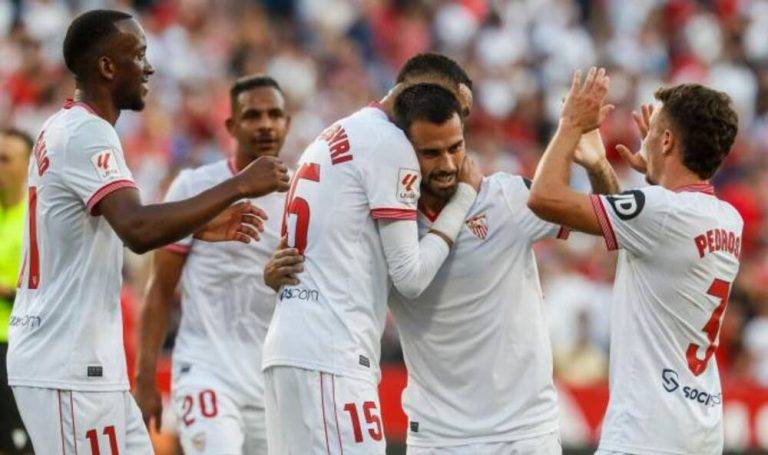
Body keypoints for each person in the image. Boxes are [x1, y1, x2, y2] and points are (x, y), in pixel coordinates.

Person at [265, 83, 619, 455]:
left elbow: (609, 220)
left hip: (523, 432)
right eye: (430, 153)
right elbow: (328, 265)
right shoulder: (383, 229)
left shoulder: (507, 198)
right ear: (403, 152)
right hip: (436, 438)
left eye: (455, 147)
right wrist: (274, 275)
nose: (448, 164)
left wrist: (597, 164)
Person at [7, 10, 289, 453]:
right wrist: (239, 185)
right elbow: (137, 229)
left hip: (86, 361)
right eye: (138, 55)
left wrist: (200, 220)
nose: (149, 67)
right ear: (106, 67)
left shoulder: (67, 127)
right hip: (66, 362)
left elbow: (127, 221)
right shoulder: (86, 132)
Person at [261, 54, 481, 454]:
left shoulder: (338, 132)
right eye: (452, 109)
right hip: (332, 355)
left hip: (292, 348)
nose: (456, 124)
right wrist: (463, 198)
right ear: (420, 95)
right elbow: (410, 278)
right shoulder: (390, 145)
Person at [528, 68, 741, 454]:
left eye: (654, 129)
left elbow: (544, 198)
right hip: (701, 428)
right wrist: (603, 167)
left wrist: (570, 125)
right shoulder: (729, 219)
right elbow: (641, 238)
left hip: (646, 431)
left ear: (667, 140)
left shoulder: (660, 212)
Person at [133, 74, 291, 454]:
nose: (266, 124)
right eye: (253, 115)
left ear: (288, 122)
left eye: (275, 114)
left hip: (272, 378)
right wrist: (145, 378)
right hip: (206, 371)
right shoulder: (194, 187)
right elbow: (160, 290)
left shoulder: (304, 195)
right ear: (231, 126)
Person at [0, 128, 33, 453]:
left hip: (18, 346)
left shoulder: (39, 219)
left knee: (19, 443)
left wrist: (8, 291)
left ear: (27, 165)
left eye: (5, 159)